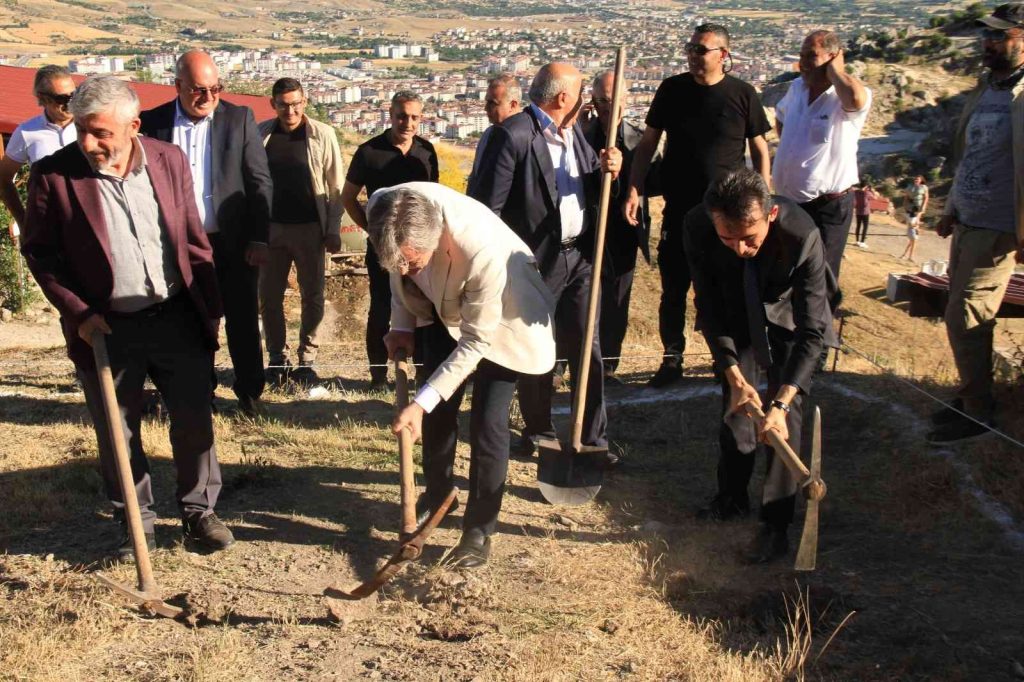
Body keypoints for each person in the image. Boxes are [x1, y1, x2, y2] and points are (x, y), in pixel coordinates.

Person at [21, 76, 234, 557]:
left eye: (101, 133)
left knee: (194, 417)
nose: (89, 143)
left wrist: (209, 310)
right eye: (81, 131)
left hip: (176, 313)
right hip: (106, 325)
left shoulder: (167, 160)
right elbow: (40, 253)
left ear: (134, 125)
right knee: (118, 430)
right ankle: (136, 523)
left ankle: (200, 512)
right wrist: (79, 312)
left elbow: (193, 240)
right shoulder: (55, 175)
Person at [369, 182, 556, 568]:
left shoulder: (481, 250)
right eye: (397, 261)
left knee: (488, 422)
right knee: (438, 407)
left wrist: (418, 405)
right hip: (442, 303)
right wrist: (402, 323)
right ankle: (439, 495)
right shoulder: (385, 209)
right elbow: (398, 272)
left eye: (413, 261)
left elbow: (475, 342)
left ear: (436, 239)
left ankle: (479, 529)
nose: (405, 268)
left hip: (505, 311)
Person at [469, 62, 623, 462]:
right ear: (563, 99)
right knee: (537, 351)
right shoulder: (513, 136)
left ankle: (592, 439)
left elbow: (591, 188)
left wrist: (611, 172)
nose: (586, 104)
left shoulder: (577, 136)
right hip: (535, 263)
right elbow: (488, 209)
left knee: (587, 346)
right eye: (582, 96)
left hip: (580, 258)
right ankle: (538, 430)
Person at [684, 169, 837, 564]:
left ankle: (775, 522)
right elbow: (708, 305)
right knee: (736, 408)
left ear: (770, 215)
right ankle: (731, 498)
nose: (739, 249)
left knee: (784, 418)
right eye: (727, 238)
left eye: (749, 238)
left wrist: (782, 402)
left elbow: (812, 331)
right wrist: (733, 374)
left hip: (785, 315)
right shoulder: (698, 226)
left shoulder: (802, 236)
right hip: (733, 311)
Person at [623, 24, 772, 388]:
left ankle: (729, 363)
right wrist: (634, 189)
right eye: (690, 48)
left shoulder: (743, 94)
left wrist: (762, 199)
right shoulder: (672, 90)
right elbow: (648, 145)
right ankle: (671, 359)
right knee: (673, 289)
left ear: (723, 54)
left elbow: (760, 150)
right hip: (680, 210)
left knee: (726, 290)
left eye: (701, 49)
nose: (692, 54)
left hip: (729, 213)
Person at [140, 50, 273, 417]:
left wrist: (260, 238)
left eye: (216, 89)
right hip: (177, 245)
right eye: (199, 90)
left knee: (243, 320)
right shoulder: (153, 124)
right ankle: (200, 392)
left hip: (232, 242)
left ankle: (249, 393)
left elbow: (259, 182)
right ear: (178, 85)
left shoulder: (239, 118)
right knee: (189, 320)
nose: (209, 98)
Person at [930, 3, 1024, 443]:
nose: (988, 43)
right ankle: (971, 397)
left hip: (1000, 224)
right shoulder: (987, 88)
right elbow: (968, 155)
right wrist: (950, 207)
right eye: (987, 35)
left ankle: (979, 412)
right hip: (969, 218)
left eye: (1000, 36)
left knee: (964, 315)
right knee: (964, 313)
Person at [341, 91, 439, 390]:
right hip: (382, 248)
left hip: (419, 248)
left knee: (424, 307)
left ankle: (423, 373)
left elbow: (434, 197)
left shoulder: (426, 151)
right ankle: (378, 376)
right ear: (390, 114)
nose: (407, 123)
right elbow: (348, 197)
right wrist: (372, 230)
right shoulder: (369, 151)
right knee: (382, 307)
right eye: (401, 116)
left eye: (414, 117)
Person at [257, 78, 345, 385]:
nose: (290, 110)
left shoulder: (323, 134)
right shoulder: (261, 134)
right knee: (268, 298)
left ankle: (307, 360)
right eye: (283, 104)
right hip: (271, 230)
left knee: (313, 296)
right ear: (274, 104)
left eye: (295, 103)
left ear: (304, 102)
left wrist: (333, 229)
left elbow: (336, 186)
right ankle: (277, 360)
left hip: (310, 228)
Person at [773, 29, 872, 283]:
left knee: (819, 279)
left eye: (811, 56)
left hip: (827, 206)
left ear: (832, 57)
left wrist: (836, 72)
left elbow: (857, 100)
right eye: (801, 55)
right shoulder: (797, 88)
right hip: (790, 202)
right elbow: (781, 117)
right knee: (786, 271)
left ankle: (818, 323)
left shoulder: (845, 96)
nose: (803, 63)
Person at [582, 70, 658, 383]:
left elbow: (654, 182)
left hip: (623, 231)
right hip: (585, 232)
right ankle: (570, 365)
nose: (607, 107)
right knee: (581, 301)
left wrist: (624, 170)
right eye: (601, 100)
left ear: (625, 102)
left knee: (615, 303)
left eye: (613, 101)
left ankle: (608, 366)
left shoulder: (640, 139)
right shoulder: (580, 137)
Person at [0, 65, 77, 233]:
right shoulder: (27, 132)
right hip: (49, 228)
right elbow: (3, 179)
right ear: (43, 99)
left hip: (91, 224)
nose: (70, 103)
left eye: (74, 95)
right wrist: (23, 220)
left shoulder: (90, 126)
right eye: (62, 99)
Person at [468, 73, 521, 188]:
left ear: (513, 105)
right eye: (487, 102)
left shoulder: (527, 137)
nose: (486, 108)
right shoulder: (488, 134)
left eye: (493, 103)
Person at [899, 176, 929, 262]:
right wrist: (905, 205)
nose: (916, 180)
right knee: (913, 237)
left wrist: (923, 208)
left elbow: (926, 197)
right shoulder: (910, 187)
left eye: (918, 179)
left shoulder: (924, 187)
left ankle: (907, 255)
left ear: (921, 181)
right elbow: (906, 197)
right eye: (915, 179)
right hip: (911, 210)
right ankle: (908, 255)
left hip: (917, 209)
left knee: (914, 237)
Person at [853, 183, 879, 248]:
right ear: (866, 186)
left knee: (858, 226)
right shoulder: (867, 193)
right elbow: (876, 198)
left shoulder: (856, 192)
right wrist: (872, 191)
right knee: (865, 227)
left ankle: (857, 241)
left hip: (858, 211)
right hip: (865, 212)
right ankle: (862, 242)